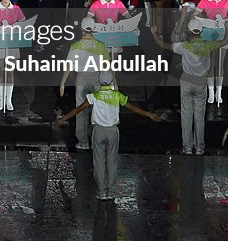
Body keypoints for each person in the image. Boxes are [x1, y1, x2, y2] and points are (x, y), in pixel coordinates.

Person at [53, 71, 162, 201]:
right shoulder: (117, 96)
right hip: (113, 131)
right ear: (111, 82)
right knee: (112, 162)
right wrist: (150, 115)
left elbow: (78, 110)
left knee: (99, 162)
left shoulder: (94, 96)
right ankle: (110, 191)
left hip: (98, 131)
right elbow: (134, 109)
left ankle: (101, 192)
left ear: (99, 82)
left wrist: (62, 119)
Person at [152, 14, 228, 154]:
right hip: (201, 82)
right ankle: (199, 148)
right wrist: (227, 28)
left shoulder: (184, 46)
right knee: (199, 117)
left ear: (188, 31)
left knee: (186, 117)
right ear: (200, 31)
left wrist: (154, 33)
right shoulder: (208, 45)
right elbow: (224, 41)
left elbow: (162, 44)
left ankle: (187, 148)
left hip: (187, 81)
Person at [58, 17, 109, 150]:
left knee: (81, 110)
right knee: (97, 111)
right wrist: (113, 82)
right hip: (97, 78)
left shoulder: (76, 46)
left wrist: (62, 83)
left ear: (81, 29)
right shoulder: (101, 45)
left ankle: (83, 142)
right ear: (93, 29)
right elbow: (107, 66)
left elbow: (68, 66)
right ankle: (95, 141)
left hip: (81, 79)